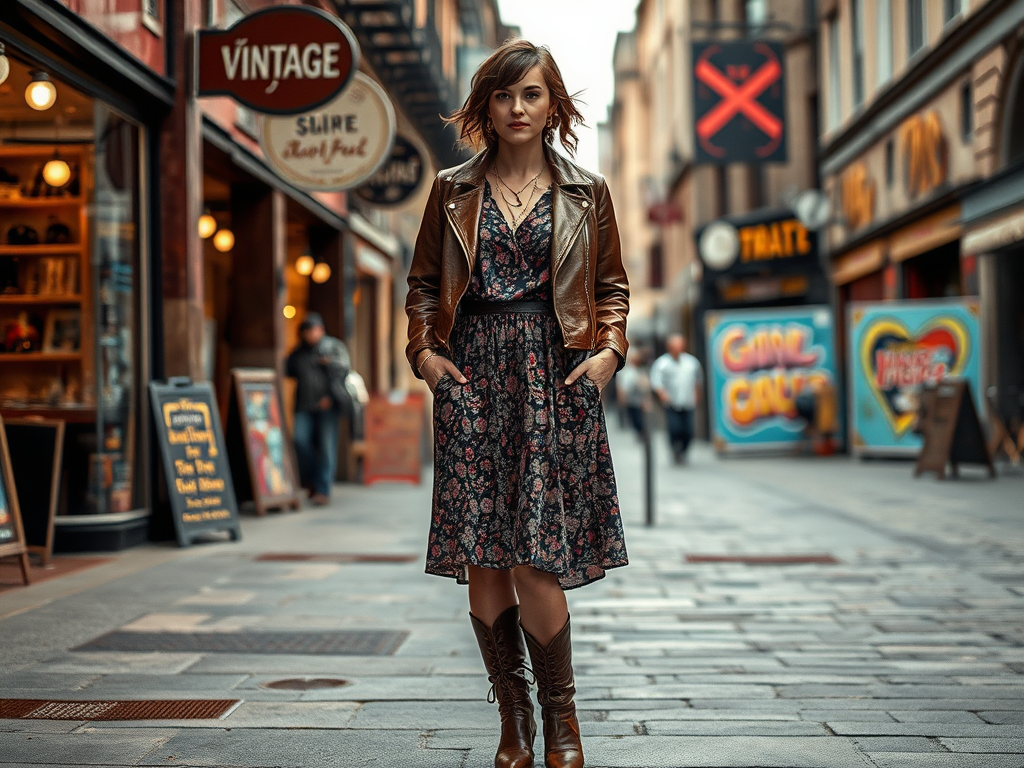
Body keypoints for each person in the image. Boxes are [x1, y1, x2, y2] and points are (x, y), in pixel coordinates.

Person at [406, 39, 629, 768]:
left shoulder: (586, 191)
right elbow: (423, 286)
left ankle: (561, 718)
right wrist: (425, 357)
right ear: (486, 107)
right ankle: (513, 719)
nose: (517, 108)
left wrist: (608, 353)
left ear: (553, 104)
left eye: (531, 95)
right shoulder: (451, 189)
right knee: (483, 557)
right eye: (504, 95)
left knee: (537, 557)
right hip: (471, 376)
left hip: (554, 381)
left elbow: (611, 288)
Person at [285, 312, 351, 506]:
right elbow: (289, 370)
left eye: (312, 330)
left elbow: (345, 368)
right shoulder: (300, 351)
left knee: (325, 447)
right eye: (305, 331)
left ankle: (322, 489)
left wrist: (328, 363)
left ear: (320, 330)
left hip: (327, 406)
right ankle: (312, 479)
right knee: (299, 440)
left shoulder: (333, 347)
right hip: (304, 405)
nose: (309, 335)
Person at [650, 334, 703, 464]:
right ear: (669, 347)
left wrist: (697, 396)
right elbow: (656, 382)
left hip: (688, 401)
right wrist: (662, 394)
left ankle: (683, 451)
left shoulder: (691, 362)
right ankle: (674, 449)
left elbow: (698, 381)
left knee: (688, 431)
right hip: (671, 403)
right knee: (674, 428)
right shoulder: (662, 364)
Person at [616, 349, 650, 439]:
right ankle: (640, 433)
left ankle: (642, 433)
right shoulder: (625, 372)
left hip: (639, 400)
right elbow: (622, 386)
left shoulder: (641, 371)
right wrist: (622, 398)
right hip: (630, 400)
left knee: (639, 419)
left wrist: (646, 399)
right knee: (634, 418)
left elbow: (646, 386)